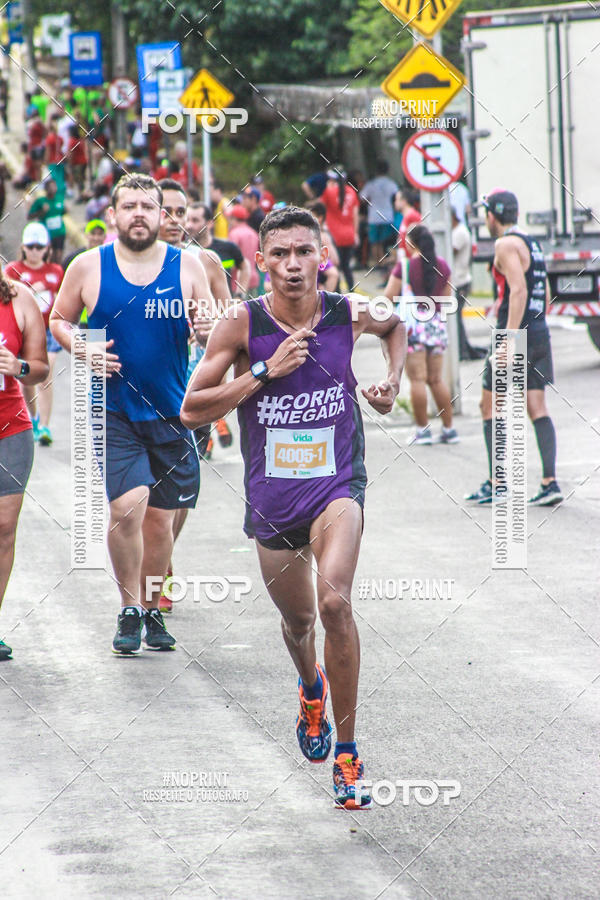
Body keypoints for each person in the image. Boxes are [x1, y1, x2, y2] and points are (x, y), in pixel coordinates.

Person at [180, 206, 406, 809]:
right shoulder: (241, 323)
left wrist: (391, 383)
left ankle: (349, 751)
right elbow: (192, 408)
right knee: (300, 623)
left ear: (321, 257)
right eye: (279, 254)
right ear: (261, 262)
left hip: (336, 485)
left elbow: (397, 325)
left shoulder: (344, 312)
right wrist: (263, 371)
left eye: (303, 251)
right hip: (274, 499)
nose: (292, 264)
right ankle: (311, 689)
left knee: (334, 603)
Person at [50, 173, 214, 654]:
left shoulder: (187, 267)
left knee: (161, 523)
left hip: (171, 412)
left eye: (149, 206)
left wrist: (206, 328)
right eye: (129, 206)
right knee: (127, 509)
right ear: (113, 215)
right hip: (113, 409)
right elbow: (59, 319)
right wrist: (82, 346)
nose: (139, 214)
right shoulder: (87, 266)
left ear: (162, 215)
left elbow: (211, 331)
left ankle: (151, 607)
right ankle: (128, 607)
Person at [465, 189, 563, 506]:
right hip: (537, 331)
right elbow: (543, 291)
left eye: (486, 213)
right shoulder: (531, 242)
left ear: (493, 215)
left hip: (515, 335)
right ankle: (550, 483)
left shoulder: (505, 243)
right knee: (537, 408)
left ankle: (498, 482)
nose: (485, 219)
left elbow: (518, 289)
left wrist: (508, 338)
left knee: (490, 406)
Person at [0, 271, 49, 660]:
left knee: (3, 529)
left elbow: (41, 367)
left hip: (10, 428)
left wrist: (18, 367)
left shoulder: (18, 299)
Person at [384, 224, 458, 445]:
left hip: (413, 328)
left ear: (411, 243)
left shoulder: (405, 267)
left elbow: (388, 297)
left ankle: (423, 430)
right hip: (435, 326)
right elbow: (446, 299)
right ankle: (449, 429)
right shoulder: (443, 266)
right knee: (436, 379)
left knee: (417, 379)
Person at [4, 223, 64, 445]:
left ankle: (46, 426)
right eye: (31, 246)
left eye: (40, 246)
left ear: (47, 248)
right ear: (23, 247)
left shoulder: (56, 271)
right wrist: (31, 289)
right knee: (26, 379)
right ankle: (34, 419)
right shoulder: (12, 270)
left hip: (48, 329)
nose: (35, 251)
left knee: (46, 376)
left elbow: (60, 299)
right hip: (23, 331)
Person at [186, 202, 250, 298]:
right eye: (187, 220)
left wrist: (240, 295)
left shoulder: (228, 247)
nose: (189, 226)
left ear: (209, 223)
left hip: (222, 308)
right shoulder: (182, 251)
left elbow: (245, 267)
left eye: (195, 221)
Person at [451, 208, 486, 361]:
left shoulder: (459, 232)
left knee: (455, 318)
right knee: (455, 318)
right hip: (458, 280)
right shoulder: (458, 230)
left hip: (459, 280)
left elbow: (449, 251)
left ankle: (462, 351)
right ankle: (463, 349)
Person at [322, 169, 359, 291]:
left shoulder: (329, 192)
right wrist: (356, 234)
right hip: (349, 235)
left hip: (334, 236)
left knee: (335, 267)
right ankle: (352, 292)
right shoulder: (352, 192)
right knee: (346, 266)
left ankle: (337, 295)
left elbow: (319, 207)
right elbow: (355, 215)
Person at [360, 160, 398, 268]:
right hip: (387, 216)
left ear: (376, 171)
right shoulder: (391, 184)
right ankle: (383, 263)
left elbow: (362, 198)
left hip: (374, 216)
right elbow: (395, 197)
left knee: (374, 242)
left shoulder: (371, 184)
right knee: (383, 242)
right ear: (387, 170)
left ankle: (377, 263)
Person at [28, 178, 67, 263]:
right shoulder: (40, 201)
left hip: (60, 232)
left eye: (54, 186)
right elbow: (29, 216)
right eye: (50, 187)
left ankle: (59, 273)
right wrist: (42, 211)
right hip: (47, 233)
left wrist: (66, 210)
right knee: (50, 256)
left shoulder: (60, 198)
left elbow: (62, 212)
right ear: (46, 189)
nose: (53, 189)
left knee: (59, 255)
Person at [306, 200, 340, 291]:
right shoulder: (315, 233)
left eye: (311, 216)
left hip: (325, 279)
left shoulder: (322, 235)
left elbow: (335, 260)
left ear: (320, 218)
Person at [228, 204, 260, 294]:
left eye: (230, 218)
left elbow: (232, 261)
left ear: (234, 218)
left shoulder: (234, 234)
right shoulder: (253, 233)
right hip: (254, 279)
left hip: (238, 282)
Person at [394, 186, 421, 258]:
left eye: (397, 200)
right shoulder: (405, 217)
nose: (395, 203)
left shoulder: (413, 216)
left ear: (404, 201)